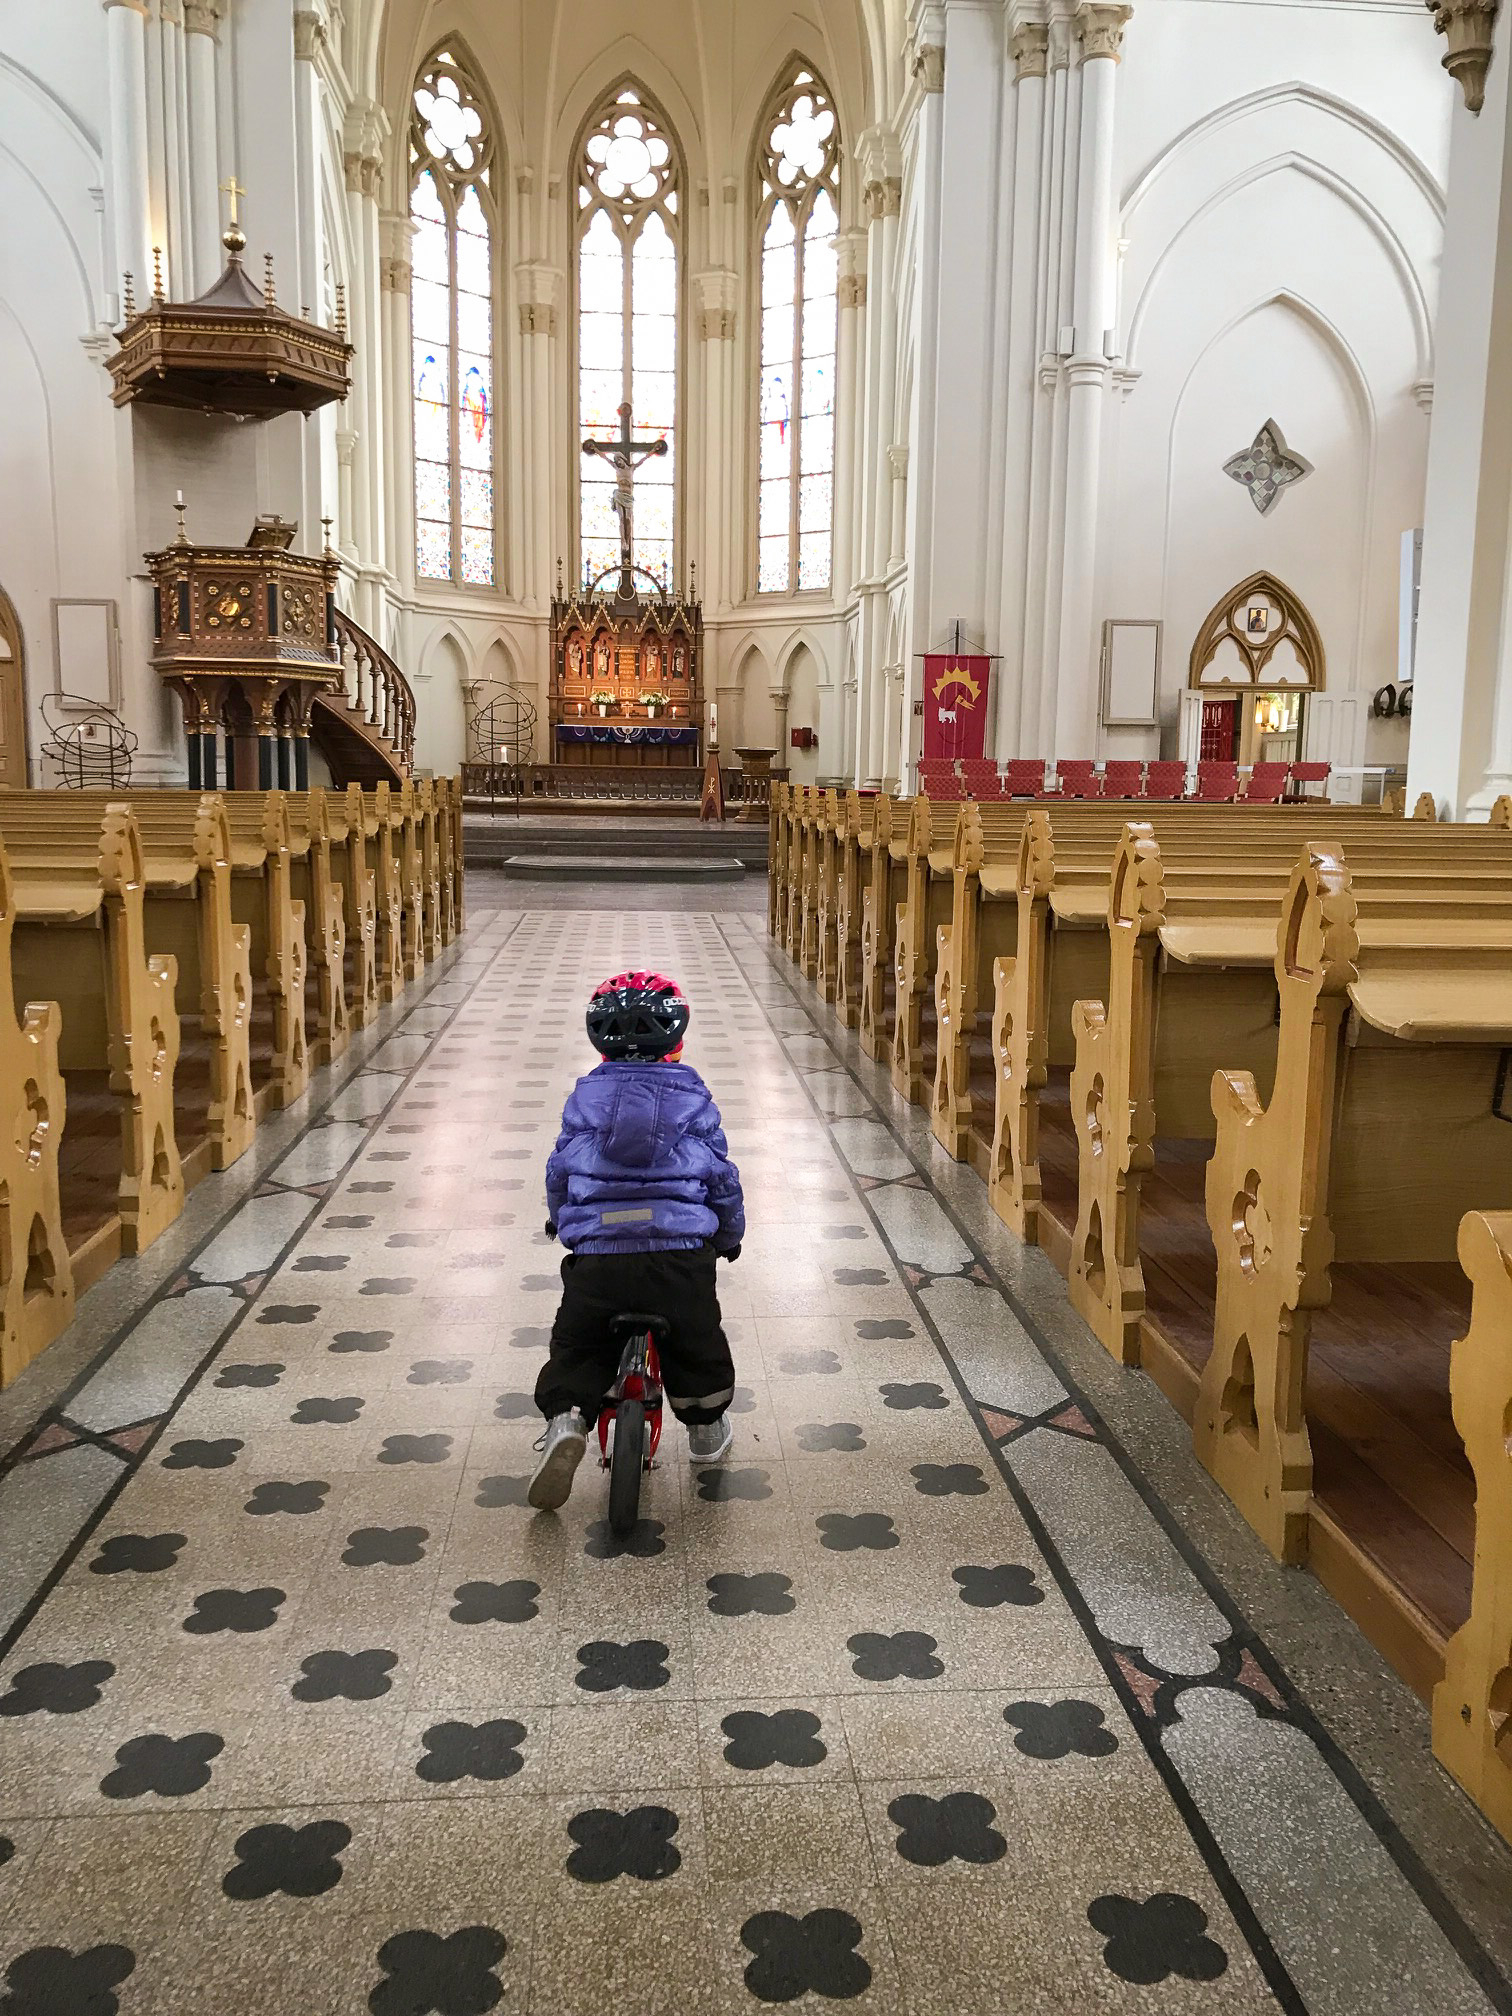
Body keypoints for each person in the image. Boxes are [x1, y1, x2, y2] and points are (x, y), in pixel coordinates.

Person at [528, 970, 744, 1512]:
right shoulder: (693, 1096)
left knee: (578, 1345)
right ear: (677, 1041)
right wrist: (729, 1234)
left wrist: (563, 1222)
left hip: (598, 1255)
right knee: (697, 1343)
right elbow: (721, 1177)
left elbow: (559, 1171)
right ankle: (705, 1431)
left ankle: (565, 1420)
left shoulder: (584, 1098)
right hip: (679, 1256)